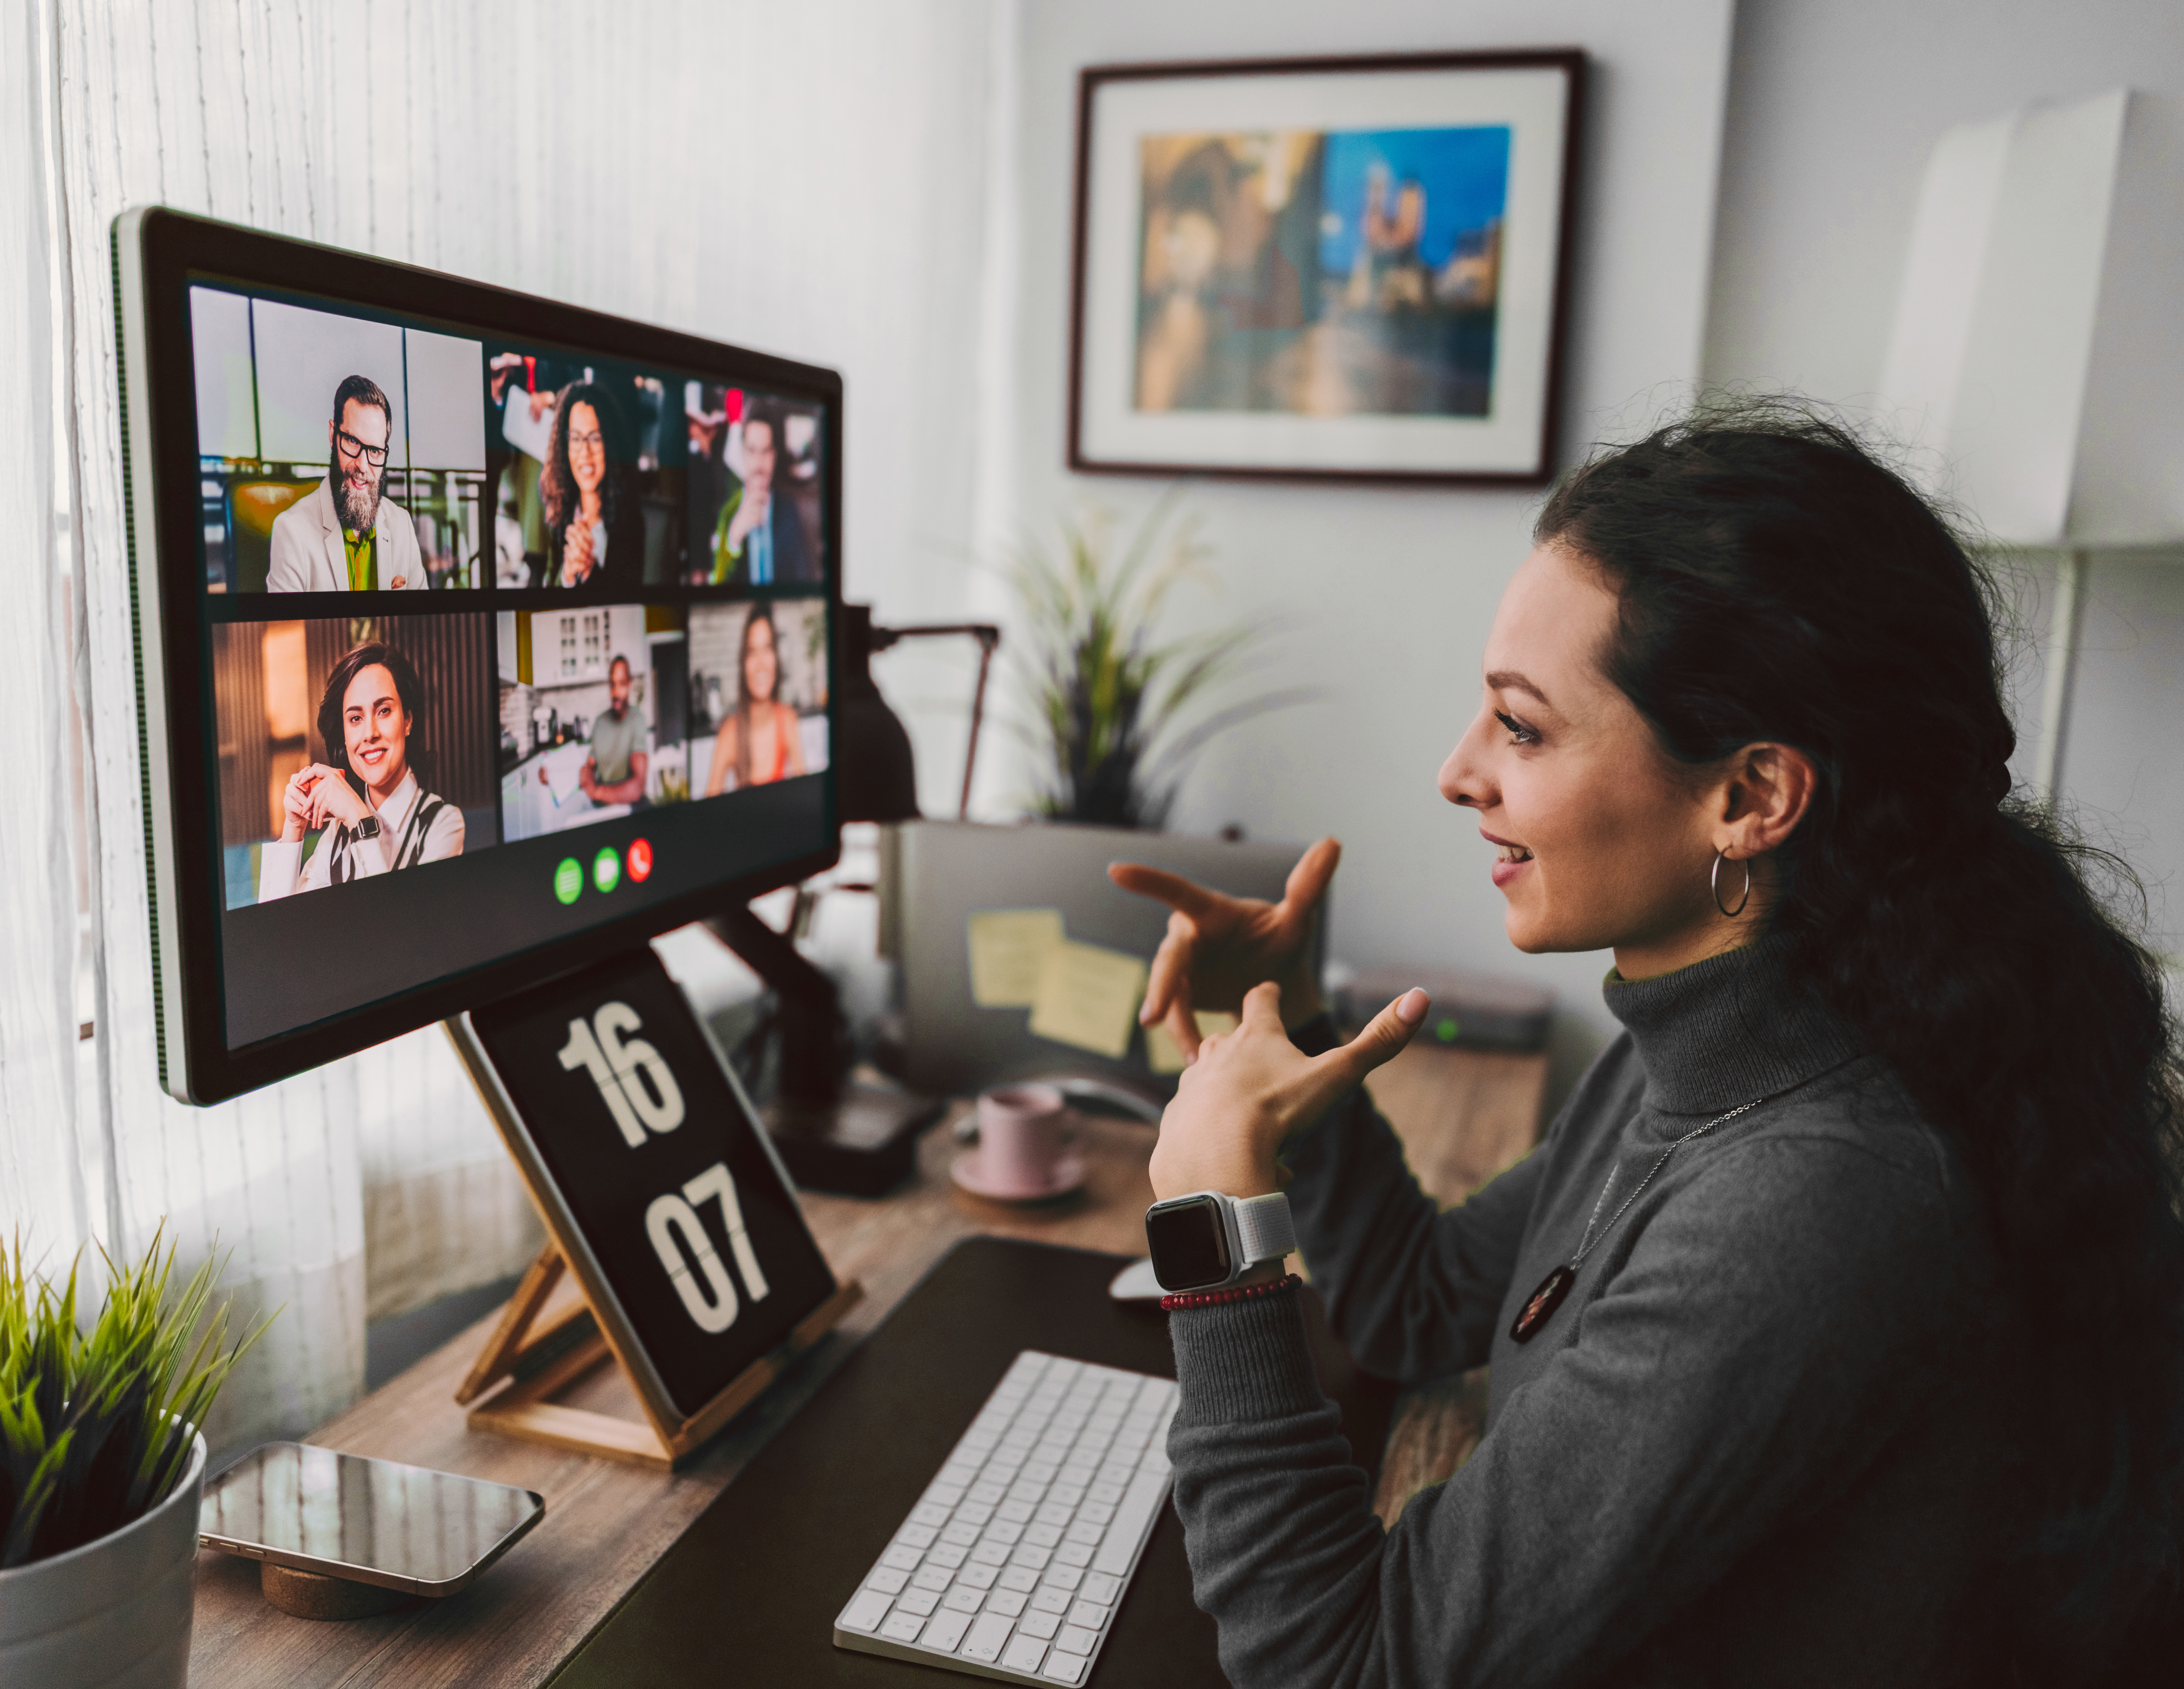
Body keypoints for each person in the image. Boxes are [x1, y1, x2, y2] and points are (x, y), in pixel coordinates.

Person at [1110, 403, 2184, 1686]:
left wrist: (1212, 1227)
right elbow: (1426, 1305)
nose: (1458, 772)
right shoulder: (1709, 1040)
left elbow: (1343, 1665)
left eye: (1522, 726)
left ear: (1749, 797)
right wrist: (1294, 1028)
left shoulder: (1815, 1200)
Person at [259, 642, 464, 898]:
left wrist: (360, 820)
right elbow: (280, 928)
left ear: (408, 721)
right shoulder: (336, 836)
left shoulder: (443, 823)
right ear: (344, 736)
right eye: (356, 718)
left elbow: (400, 929)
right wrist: (293, 828)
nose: (370, 734)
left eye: (384, 711)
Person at [266, 375, 427, 592]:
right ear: (333, 435)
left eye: (375, 451)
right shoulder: (292, 532)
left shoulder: (402, 526)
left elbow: (422, 623)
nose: (362, 465)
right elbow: (287, 626)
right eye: (352, 441)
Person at [540, 380, 642, 589]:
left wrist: (589, 572)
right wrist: (567, 575)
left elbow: (632, 608)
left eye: (595, 439)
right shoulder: (560, 516)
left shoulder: (634, 521)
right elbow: (548, 595)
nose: (585, 454)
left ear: (610, 444)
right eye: (576, 439)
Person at [706, 400, 816, 586]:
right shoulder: (728, 513)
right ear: (742, 453)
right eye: (752, 451)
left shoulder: (792, 510)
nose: (759, 464)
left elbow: (804, 579)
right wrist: (735, 538)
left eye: (766, 452)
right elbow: (716, 587)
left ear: (774, 455)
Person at [703, 604, 806, 794]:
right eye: (752, 652)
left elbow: (807, 798)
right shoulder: (729, 734)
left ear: (776, 657)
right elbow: (706, 816)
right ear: (744, 664)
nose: (761, 664)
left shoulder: (788, 721)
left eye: (767, 649)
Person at [543, 652, 647, 808]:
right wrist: (552, 774)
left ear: (630, 684)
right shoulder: (600, 722)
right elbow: (590, 769)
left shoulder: (637, 719)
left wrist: (597, 792)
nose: (616, 692)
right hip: (603, 808)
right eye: (613, 684)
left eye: (622, 683)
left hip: (631, 808)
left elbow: (637, 789)